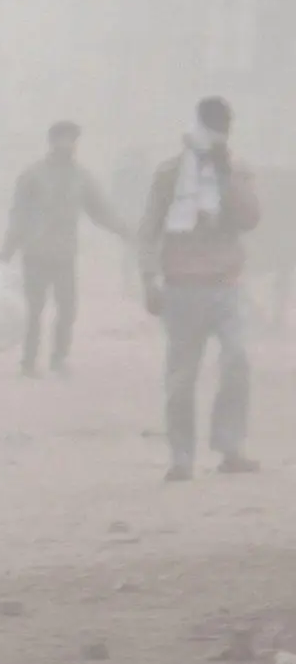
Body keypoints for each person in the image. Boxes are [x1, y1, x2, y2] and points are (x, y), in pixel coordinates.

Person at [138, 97, 262, 482]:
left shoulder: (237, 170)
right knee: (181, 377)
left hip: (226, 284)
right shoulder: (170, 174)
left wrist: (228, 177)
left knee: (237, 360)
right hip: (181, 288)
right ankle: (181, 456)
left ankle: (230, 446)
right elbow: (149, 231)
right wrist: (149, 280)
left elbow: (250, 219)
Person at [0, 121, 128, 378]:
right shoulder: (32, 175)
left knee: (68, 309)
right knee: (34, 309)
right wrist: (7, 249)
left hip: (65, 254)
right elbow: (18, 215)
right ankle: (29, 361)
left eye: (72, 139)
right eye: (62, 139)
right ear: (52, 142)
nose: (67, 145)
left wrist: (125, 231)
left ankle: (59, 358)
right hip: (35, 252)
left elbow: (99, 210)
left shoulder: (81, 177)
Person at [112, 146, 150, 298]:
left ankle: (130, 282)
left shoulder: (123, 175)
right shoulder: (143, 174)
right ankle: (132, 282)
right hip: (136, 217)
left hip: (136, 217)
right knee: (135, 251)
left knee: (133, 251)